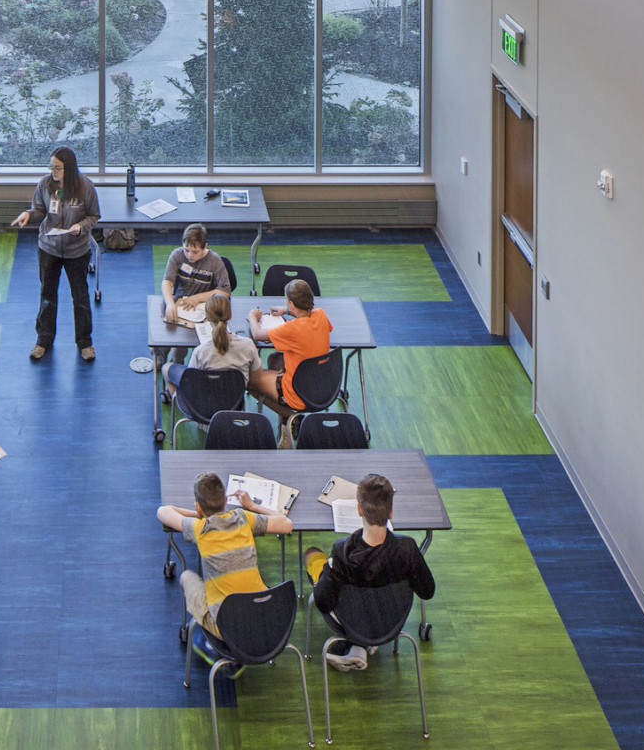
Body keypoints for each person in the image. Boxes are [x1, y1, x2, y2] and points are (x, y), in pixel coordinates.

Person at [303, 472, 435, 671]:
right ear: (390, 512)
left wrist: (329, 568)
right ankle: (360, 647)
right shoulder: (407, 548)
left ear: (359, 510)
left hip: (352, 622)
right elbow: (427, 591)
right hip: (391, 621)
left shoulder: (342, 551)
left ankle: (356, 645)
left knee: (311, 554)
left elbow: (322, 602)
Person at [157, 470, 293, 639]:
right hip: (263, 620)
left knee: (186, 576)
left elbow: (163, 511)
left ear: (198, 506)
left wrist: (200, 516)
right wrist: (252, 506)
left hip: (227, 629)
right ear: (226, 501)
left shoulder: (199, 528)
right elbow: (287, 524)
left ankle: (207, 642)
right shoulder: (244, 517)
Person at [15, 145, 100, 363]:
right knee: (47, 296)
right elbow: (39, 210)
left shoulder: (85, 187)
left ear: (69, 168)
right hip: (49, 248)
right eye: (52, 167)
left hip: (77, 251)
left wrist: (80, 226)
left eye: (58, 168)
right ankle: (43, 340)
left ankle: (85, 343)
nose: (53, 171)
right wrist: (28, 214)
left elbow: (94, 215)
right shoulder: (45, 184)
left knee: (80, 297)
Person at [247, 278, 331, 444]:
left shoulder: (291, 329)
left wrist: (252, 317)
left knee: (248, 380)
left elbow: (257, 334)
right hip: (321, 383)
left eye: (287, 301)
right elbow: (308, 318)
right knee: (274, 359)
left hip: (298, 392)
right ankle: (285, 423)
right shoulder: (321, 314)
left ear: (292, 303)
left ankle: (292, 416)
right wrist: (285, 310)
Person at [161, 222, 233, 365]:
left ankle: (176, 362)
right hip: (180, 303)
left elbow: (225, 291)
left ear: (205, 246)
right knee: (162, 338)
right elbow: (167, 282)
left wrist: (197, 298)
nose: (189, 256)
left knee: (179, 347)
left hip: (202, 309)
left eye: (195, 252)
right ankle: (160, 357)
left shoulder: (214, 261)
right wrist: (170, 304)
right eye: (186, 250)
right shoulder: (177, 255)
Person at [164, 291, 260, 397]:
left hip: (205, 404)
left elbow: (191, 381)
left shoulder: (200, 352)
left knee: (166, 368)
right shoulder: (248, 345)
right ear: (230, 314)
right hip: (234, 402)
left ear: (207, 317)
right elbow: (256, 377)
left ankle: (183, 406)